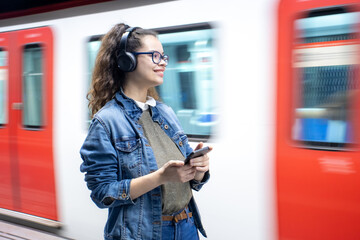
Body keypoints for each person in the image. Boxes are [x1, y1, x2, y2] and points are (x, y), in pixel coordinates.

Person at [80, 23, 212, 240]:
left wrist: (198, 169)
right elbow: (102, 193)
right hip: (146, 233)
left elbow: (189, 180)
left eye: (163, 56)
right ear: (127, 61)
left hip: (187, 225)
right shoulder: (106, 121)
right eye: (154, 55)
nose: (162, 63)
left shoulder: (165, 113)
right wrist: (159, 177)